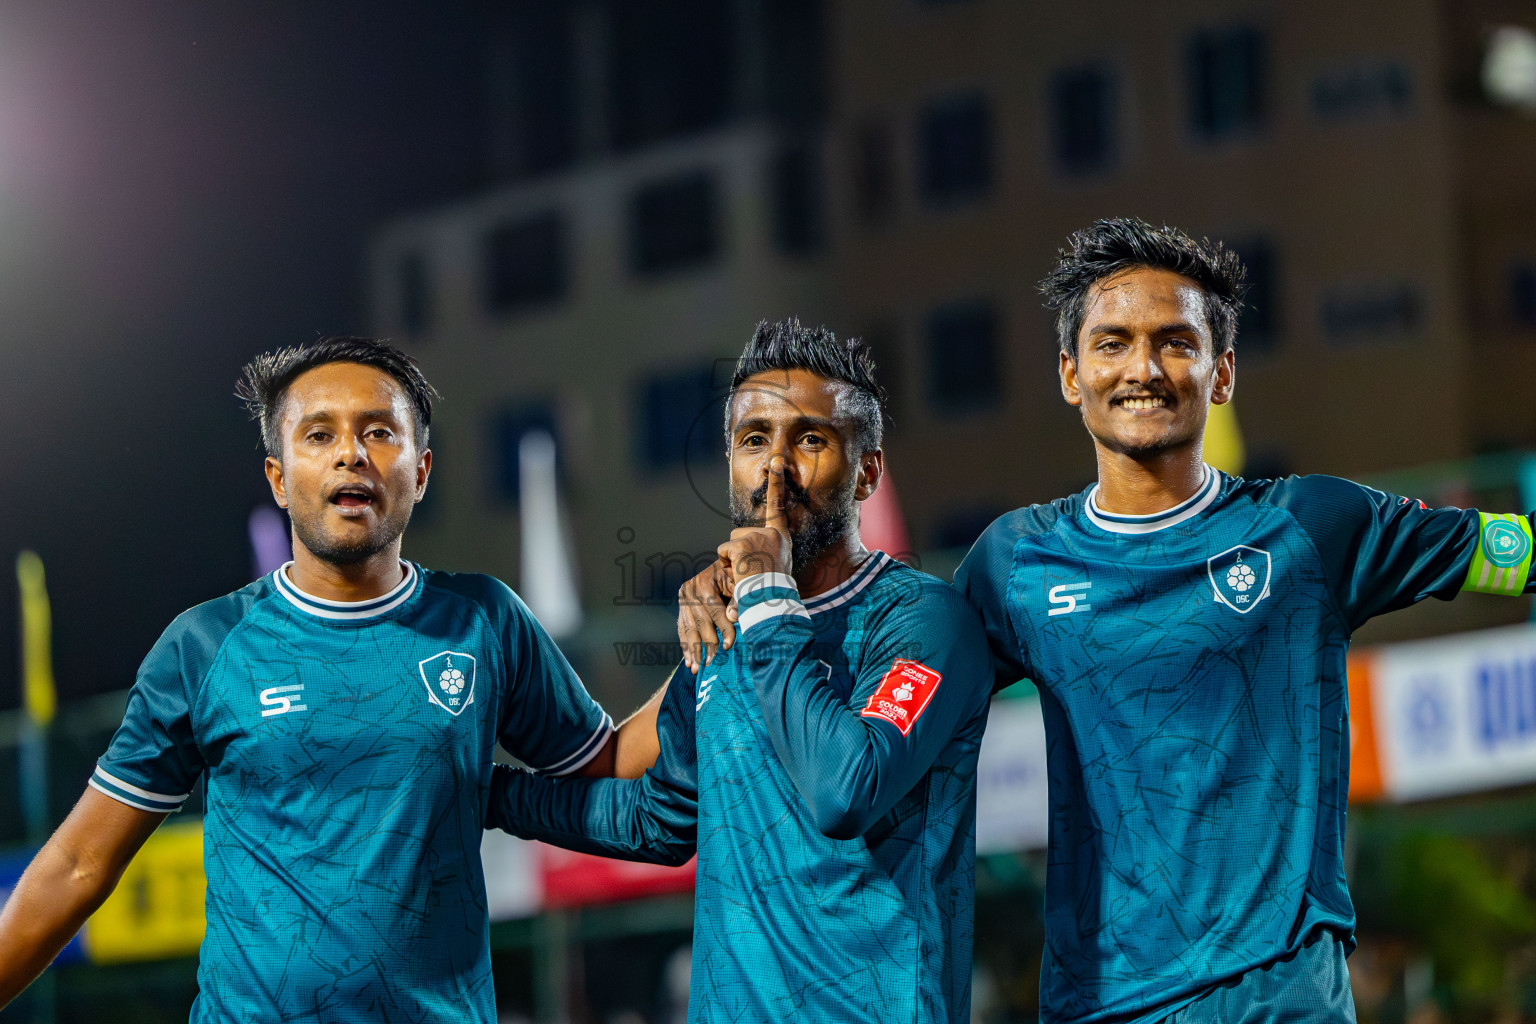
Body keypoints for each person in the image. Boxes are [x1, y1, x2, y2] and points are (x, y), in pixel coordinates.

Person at [949, 218, 1536, 1023]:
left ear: (1221, 373)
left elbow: (1517, 553)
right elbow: (883, 719)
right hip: (1103, 1004)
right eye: (1112, 343)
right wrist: (753, 595)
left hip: (1282, 995)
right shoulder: (1012, 562)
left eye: (1176, 342)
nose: (1144, 368)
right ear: (1069, 373)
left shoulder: (1312, 528)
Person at [0, 337, 653, 1022]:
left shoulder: (483, 621)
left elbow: (606, 762)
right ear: (279, 478)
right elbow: (78, 864)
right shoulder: (206, 646)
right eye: (319, 434)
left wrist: (722, 645)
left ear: (422, 470)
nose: (351, 452)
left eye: (379, 431)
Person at [487, 319, 994, 1023]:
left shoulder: (925, 622)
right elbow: (660, 819)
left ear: (868, 471)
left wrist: (764, 592)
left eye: (810, 439)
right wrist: (490, 796)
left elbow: (844, 790)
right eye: (754, 440)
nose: (775, 467)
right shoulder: (725, 630)